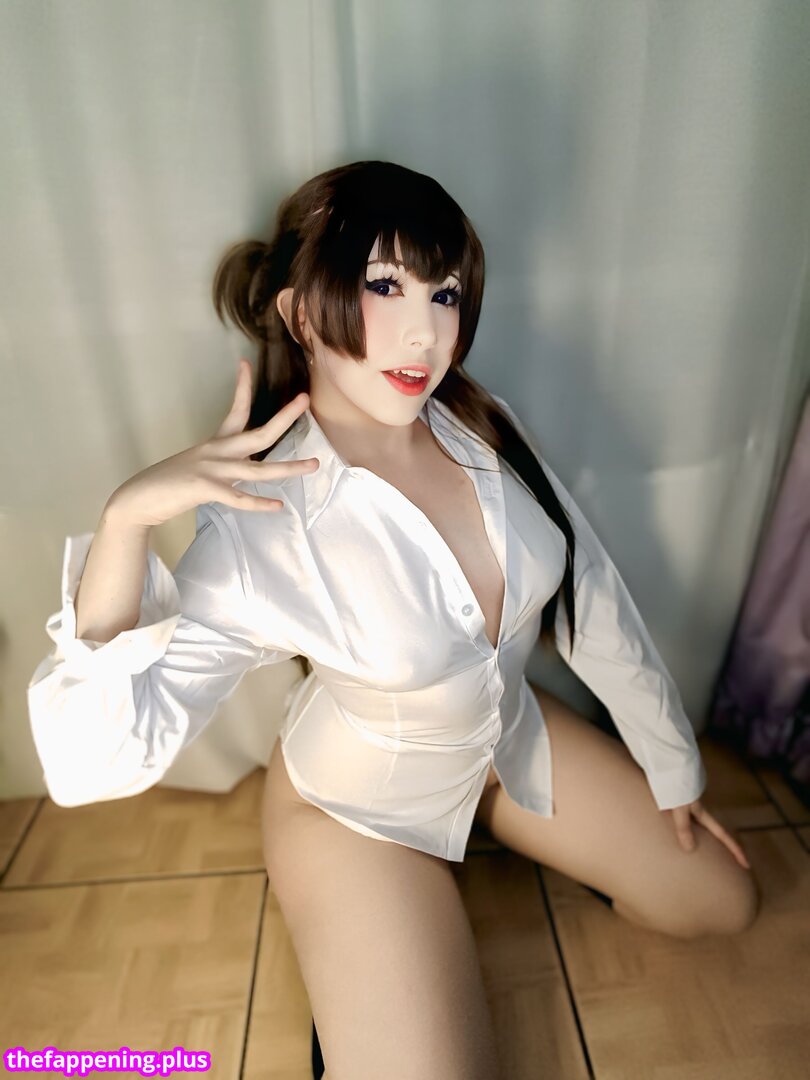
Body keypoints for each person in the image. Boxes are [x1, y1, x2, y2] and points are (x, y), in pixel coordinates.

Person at [27, 160, 760, 1080]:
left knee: (721, 900)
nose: (426, 332)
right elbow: (88, 765)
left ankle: (488, 850)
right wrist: (125, 520)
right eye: (385, 286)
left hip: (501, 744)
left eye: (444, 293)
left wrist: (669, 757)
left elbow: (590, 593)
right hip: (357, 813)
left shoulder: (481, 425)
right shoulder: (264, 521)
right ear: (302, 313)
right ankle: (369, 969)